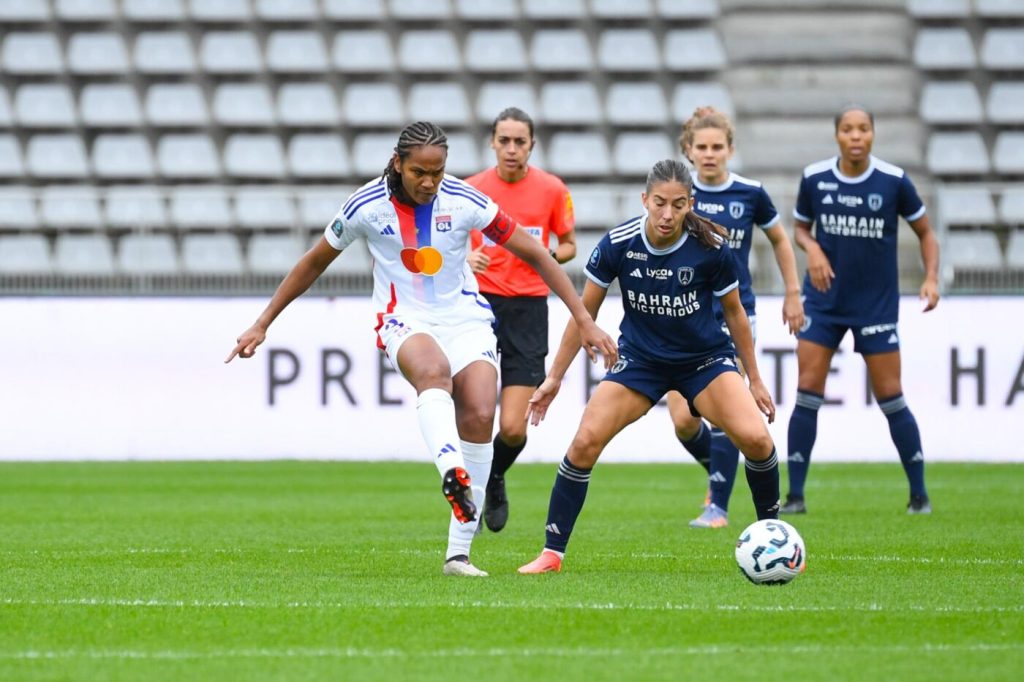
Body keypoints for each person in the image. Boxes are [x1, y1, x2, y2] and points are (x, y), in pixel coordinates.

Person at [225, 121, 617, 577]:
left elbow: (535, 252)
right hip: (403, 319)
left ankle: (458, 556)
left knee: (478, 413)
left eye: (438, 172)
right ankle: (453, 472)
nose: (430, 182)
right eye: (419, 173)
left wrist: (584, 319)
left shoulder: (465, 200)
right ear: (398, 164)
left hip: (466, 317)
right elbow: (313, 262)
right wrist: (262, 322)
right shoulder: (365, 206)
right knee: (433, 372)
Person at [518, 159, 781, 575]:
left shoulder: (711, 247)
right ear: (645, 200)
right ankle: (552, 553)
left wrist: (755, 379)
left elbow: (735, 313)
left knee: (757, 440)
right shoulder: (618, 243)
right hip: (641, 362)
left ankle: (775, 538)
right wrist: (554, 377)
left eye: (678, 205)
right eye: (659, 203)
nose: (667, 214)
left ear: (690, 203)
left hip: (705, 361)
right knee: (585, 441)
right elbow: (583, 314)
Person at [781, 105, 940, 516]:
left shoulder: (893, 181)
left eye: (863, 129)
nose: (856, 136)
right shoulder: (815, 177)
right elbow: (799, 228)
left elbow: (926, 233)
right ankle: (795, 496)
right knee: (807, 392)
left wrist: (931, 278)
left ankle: (919, 495)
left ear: (873, 134)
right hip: (825, 302)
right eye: (848, 129)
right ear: (837, 135)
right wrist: (812, 247)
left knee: (891, 397)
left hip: (875, 305)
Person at [667, 107, 804, 530]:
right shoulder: (679, 196)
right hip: (683, 315)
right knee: (683, 422)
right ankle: (724, 471)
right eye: (701, 147)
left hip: (733, 312)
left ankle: (718, 507)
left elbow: (780, 239)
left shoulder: (750, 192)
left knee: (725, 410)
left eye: (717, 147)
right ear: (688, 151)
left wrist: (792, 292)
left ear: (730, 149)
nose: (709, 154)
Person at [464, 107, 577, 533]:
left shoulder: (551, 190)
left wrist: (547, 254)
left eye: (520, 141)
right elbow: (446, 240)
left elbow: (568, 245)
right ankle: (469, 500)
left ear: (532, 145)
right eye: (504, 140)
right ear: (492, 142)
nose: (512, 149)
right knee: (474, 415)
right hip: (477, 306)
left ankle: (494, 477)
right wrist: (463, 258)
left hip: (529, 309)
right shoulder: (471, 189)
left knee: (513, 428)